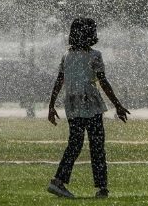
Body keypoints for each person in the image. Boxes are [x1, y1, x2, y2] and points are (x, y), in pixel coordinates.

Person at [46, 17, 129, 199]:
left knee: (75, 144)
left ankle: (58, 182)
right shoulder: (94, 55)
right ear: (89, 34)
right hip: (90, 104)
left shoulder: (67, 56)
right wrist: (118, 105)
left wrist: (51, 106)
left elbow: (59, 81)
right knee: (97, 146)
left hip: (73, 105)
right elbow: (103, 82)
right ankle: (102, 188)